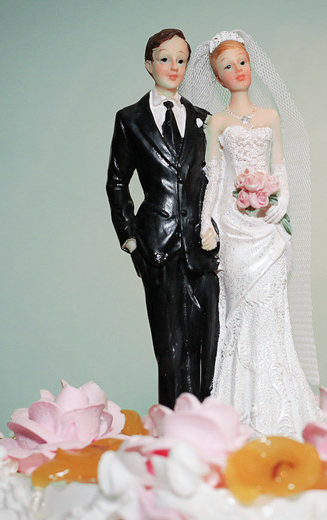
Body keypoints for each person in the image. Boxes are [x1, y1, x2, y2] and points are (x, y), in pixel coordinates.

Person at [180, 30, 322, 438]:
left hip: (266, 226)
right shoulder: (217, 122)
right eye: (227, 66)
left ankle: (280, 409)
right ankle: (236, 408)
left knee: (271, 311)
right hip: (234, 226)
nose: (237, 70)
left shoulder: (270, 117)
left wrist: (278, 205)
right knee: (239, 313)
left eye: (241, 62)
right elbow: (214, 174)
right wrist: (207, 221)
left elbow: (280, 166)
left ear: (250, 65)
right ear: (217, 77)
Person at [106, 28, 220, 409]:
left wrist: (214, 227)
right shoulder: (130, 119)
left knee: (206, 343)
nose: (174, 67)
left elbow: (216, 182)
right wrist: (130, 237)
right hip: (156, 243)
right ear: (149, 64)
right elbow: (118, 181)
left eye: (181, 59)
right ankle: (173, 432)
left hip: (201, 248)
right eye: (165, 58)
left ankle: (206, 430)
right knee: (170, 347)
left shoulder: (204, 120)